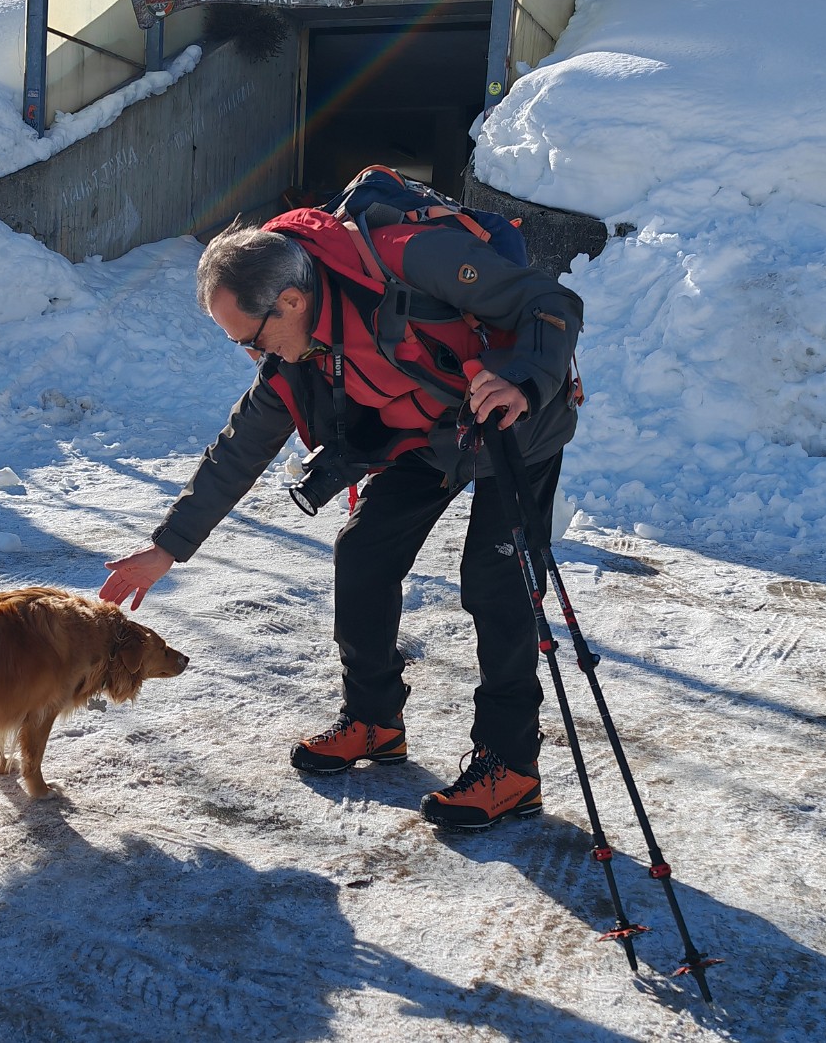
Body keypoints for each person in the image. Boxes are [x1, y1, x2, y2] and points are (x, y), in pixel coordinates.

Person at [100, 204, 582, 829]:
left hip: (516, 421)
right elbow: (241, 446)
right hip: (424, 435)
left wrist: (520, 377)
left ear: (293, 301)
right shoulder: (297, 356)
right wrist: (166, 548)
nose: (251, 355)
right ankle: (375, 721)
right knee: (363, 555)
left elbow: (552, 303)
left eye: (250, 338)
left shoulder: (408, 258)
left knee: (497, 587)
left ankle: (510, 767)